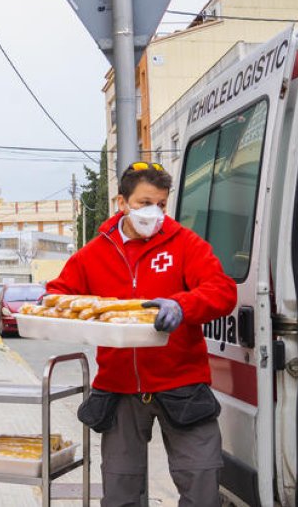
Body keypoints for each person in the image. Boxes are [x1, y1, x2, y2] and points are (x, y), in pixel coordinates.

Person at [46, 162, 237, 507]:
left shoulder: (184, 244)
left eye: (162, 204)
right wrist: (43, 306)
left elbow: (222, 291)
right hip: (119, 388)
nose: (155, 212)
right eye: (145, 203)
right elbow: (58, 296)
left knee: (202, 485)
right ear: (122, 202)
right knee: (120, 494)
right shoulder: (95, 253)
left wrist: (182, 305)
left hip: (181, 384)